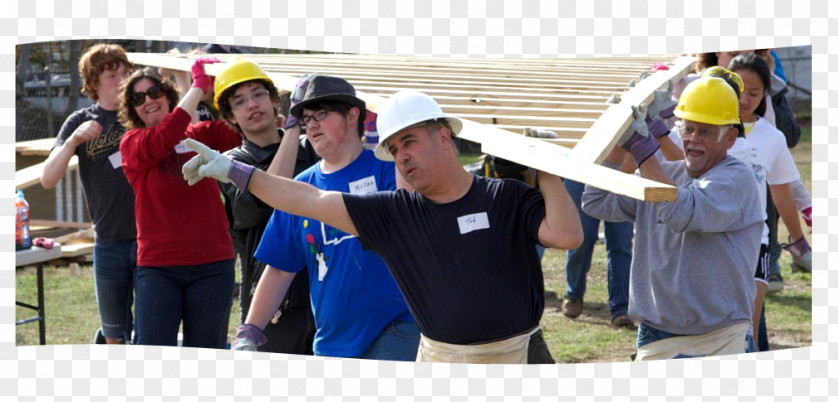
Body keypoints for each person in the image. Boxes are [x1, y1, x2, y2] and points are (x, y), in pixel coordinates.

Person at [182, 89, 583, 364]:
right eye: (394, 149)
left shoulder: (504, 196)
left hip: (521, 358)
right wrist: (233, 170)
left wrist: (547, 172)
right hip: (441, 364)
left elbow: (568, 236)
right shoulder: (397, 214)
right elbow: (307, 199)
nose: (401, 157)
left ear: (444, 137)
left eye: (409, 142)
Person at [227, 75, 419, 360]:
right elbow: (279, 269)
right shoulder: (299, 188)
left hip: (397, 330)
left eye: (321, 114)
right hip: (332, 343)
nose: (311, 124)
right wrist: (250, 330)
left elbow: (413, 226)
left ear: (352, 115)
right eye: (307, 119)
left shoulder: (389, 170)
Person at [582, 76, 764, 360]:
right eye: (688, 129)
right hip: (655, 334)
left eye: (706, 131)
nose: (693, 139)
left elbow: (680, 212)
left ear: (729, 138)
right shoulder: (666, 175)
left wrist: (642, 148)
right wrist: (619, 140)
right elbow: (597, 201)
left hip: (717, 338)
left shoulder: (737, 179)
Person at [118, 60, 242, 348]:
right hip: (159, 269)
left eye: (155, 91)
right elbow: (166, 136)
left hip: (213, 264)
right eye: (138, 97)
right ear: (133, 109)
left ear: (168, 95)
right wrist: (197, 85)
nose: (148, 100)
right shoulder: (132, 143)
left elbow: (239, 132)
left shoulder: (199, 134)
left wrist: (219, 87)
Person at [213, 57, 319, 354]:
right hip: (273, 302)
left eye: (259, 94)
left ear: (274, 101)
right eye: (239, 101)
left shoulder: (310, 148)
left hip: (324, 288)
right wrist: (295, 129)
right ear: (231, 117)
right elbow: (272, 191)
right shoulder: (230, 164)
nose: (252, 105)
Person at [40, 43, 135, 345]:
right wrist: (72, 142)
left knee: (151, 332)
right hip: (108, 244)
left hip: (153, 241)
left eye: (125, 72)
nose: (122, 80)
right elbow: (47, 178)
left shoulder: (143, 111)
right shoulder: (79, 121)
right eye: (111, 75)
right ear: (93, 83)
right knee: (114, 335)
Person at [729, 53, 812, 350]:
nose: (744, 99)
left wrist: (799, 241)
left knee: (748, 328)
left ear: (765, 94)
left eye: (754, 93)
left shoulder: (771, 137)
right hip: (709, 239)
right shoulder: (702, 130)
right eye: (738, 90)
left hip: (754, 241)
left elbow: (782, 192)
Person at [560, 178, 634, 329]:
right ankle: (573, 294)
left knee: (621, 242)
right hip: (582, 169)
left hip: (621, 171)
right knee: (582, 237)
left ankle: (621, 308)